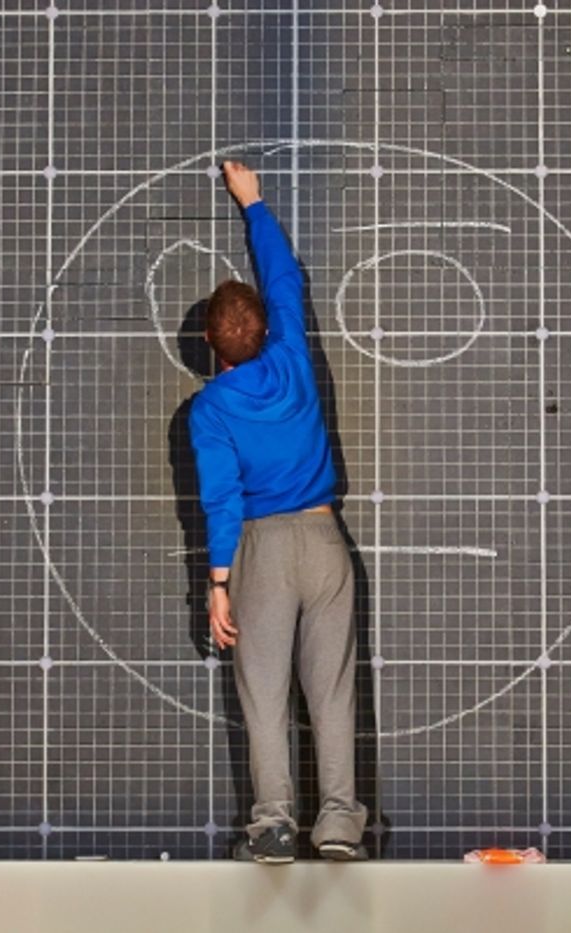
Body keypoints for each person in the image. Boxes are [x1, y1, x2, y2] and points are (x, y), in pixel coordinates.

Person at [189, 160, 369, 864]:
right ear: (265, 330)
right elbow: (286, 278)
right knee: (331, 688)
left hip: (262, 548)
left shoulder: (210, 409)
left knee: (263, 691)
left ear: (211, 345)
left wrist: (219, 581)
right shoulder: (292, 353)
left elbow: (221, 496)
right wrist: (254, 204)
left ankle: (273, 824)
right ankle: (339, 824)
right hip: (326, 540)